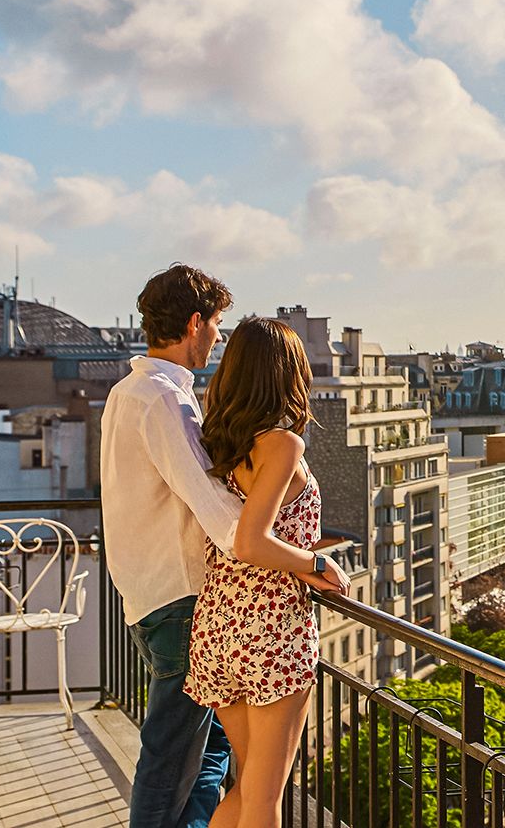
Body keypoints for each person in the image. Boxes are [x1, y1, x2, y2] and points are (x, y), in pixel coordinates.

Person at [185, 318, 350, 828]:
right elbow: (251, 541)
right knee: (264, 799)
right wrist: (316, 563)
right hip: (270, 627)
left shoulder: (224, 444)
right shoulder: (282, 444)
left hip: (219, 625)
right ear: (287, 374)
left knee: (250, 787)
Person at [102, 265, 250, 828]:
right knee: (171, 757)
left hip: (149, 596)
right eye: (216, 324)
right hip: (180, 600)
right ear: (194, 323)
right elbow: (218, 511)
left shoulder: (126, 392)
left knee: (207, 745)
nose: (218, 336)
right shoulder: (165, 400)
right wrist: (299, 558)